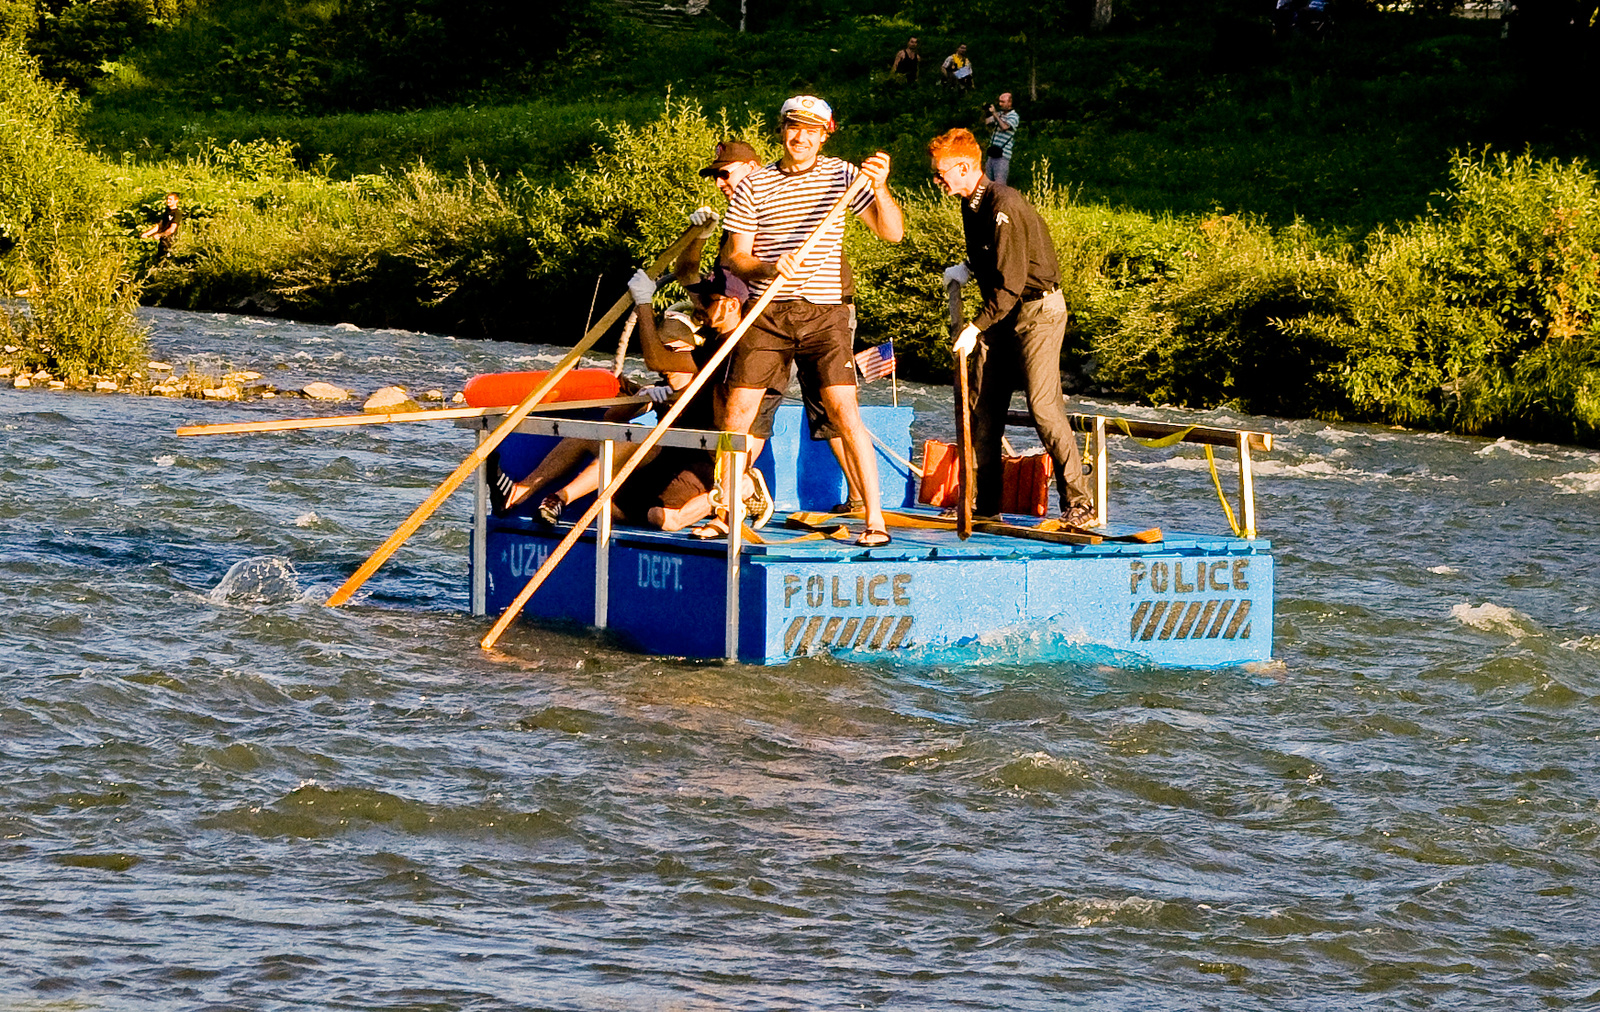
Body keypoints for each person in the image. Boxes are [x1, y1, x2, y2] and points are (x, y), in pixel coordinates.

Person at [720, 95, 904, 547]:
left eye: (811, 129)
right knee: (735, 415)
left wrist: (879, 187)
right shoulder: (753, 186)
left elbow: (892, 232)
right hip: (768, 311)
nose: (800, 137)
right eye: (793, 127)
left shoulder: (844, 176)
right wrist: (765, 267)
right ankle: (725, 509)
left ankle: (874, 519)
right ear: (782, 130)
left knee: (844, 412)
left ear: (825, 134)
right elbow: (734, 255)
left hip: (825, 314)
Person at [930, 127, 1096, 528]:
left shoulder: (1004, 204)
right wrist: (967, 269)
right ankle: (986, 505)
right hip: (1002, 311)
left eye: (941, 174)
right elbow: (992, 260)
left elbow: (1012, 280)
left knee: (1042, 407)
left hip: (1038, 311)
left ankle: (1079, 503)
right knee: (982, 409)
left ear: (966, 167)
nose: (938, 183)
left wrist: (974, 327)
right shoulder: (969, 205)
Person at [982, 92, 1019, 186]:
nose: (1000, 104)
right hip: (992, 155)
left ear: (1009, 103)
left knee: (1000, 185)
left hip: (1002, 156)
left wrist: (995, 114)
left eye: (1003, 102)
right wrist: (987, 112)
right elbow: (987, 122)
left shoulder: (1014, 116)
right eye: (999, 102)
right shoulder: (1000, 114)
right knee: (987, 184)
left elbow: (1005, 127)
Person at [139, 192, 182, 260]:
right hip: (162, 242)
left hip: (170, 242)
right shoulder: (166, 212)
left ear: (176, 201)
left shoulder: (177, 213)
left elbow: (172, 229)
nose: (168, 201)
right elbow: (159, 226)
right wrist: (147, 234)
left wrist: (160, 235)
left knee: (167, 261)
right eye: (167, 199)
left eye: (170, 199)